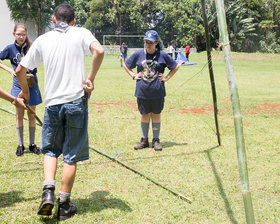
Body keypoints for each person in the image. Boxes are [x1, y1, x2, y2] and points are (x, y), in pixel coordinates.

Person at [15, 3, 104, 221]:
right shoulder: (81, 32)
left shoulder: (44, 39)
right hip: (76, 102)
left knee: (50, 150)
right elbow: (99, 50)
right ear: (73, 21)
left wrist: (25, 93)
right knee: (71, 155)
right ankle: (64, 205)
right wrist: (90, 80)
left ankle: (48, 192)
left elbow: (20, 70)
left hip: (53, 104)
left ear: (53, 20)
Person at [123, 30, 179, 151]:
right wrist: (133, 75)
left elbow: (175, 66)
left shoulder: (162, 55)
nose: (147, 45)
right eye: (146, 42)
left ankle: (156, 140)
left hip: (157, 92)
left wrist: (166, 78)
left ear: (156, 43)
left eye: (150, 43)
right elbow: (126, 65)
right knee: (144, 115)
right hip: (142, 92)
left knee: (156, 115)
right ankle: (144, 140)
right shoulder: (138, 54)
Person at [0, 23, 42, 156]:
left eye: (23, 34)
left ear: (26, 34)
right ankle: (20, 145)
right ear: (14, 34)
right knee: (19, 114)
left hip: (32, 82)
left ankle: (32, 144)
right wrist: (8, 69)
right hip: (17, 83)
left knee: (31, 114)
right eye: (18, 34)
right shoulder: (10, 48)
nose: (21, 36)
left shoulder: (32, 46)